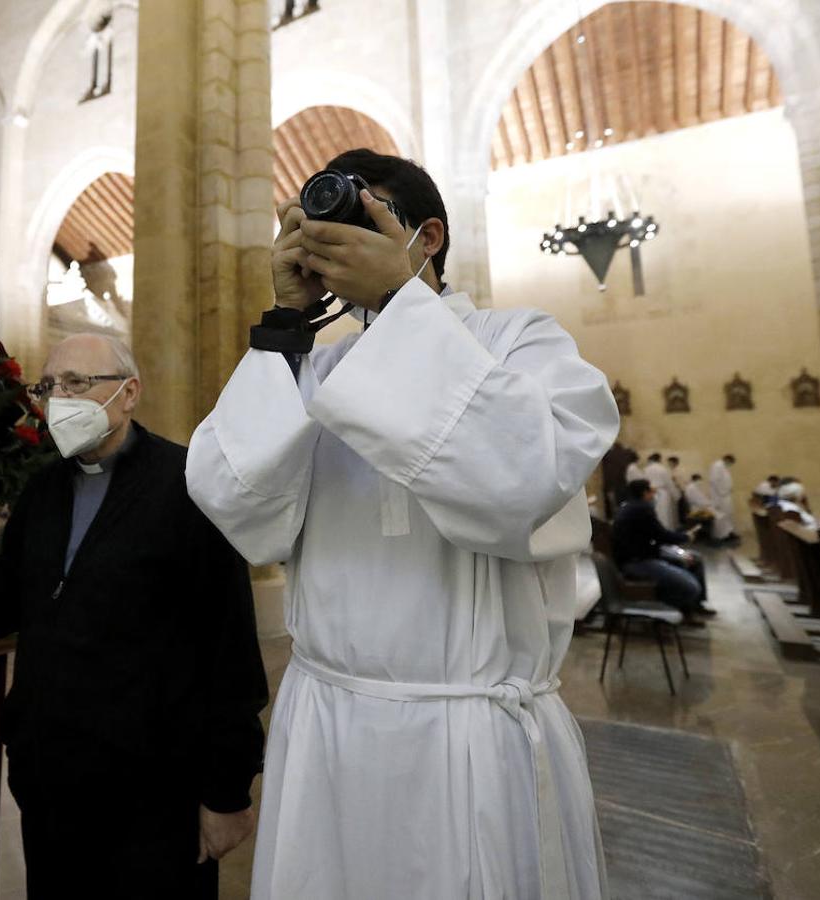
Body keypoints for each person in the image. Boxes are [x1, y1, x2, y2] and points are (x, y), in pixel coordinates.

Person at [187, 149, 616, 899]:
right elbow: (237, 507)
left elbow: (520, 485)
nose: (339, 239)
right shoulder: (312, 370)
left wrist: (395, 302)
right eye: (325, 223)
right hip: (327, 727)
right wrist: (286, 324)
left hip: (466, 736)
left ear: (428, 237)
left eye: (368, 218)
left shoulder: (518, 339)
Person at [0, 333, 268, 898]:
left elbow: (230, 650)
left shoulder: (188, 486)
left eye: (76, 383)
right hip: (50, 785)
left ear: (128, 394)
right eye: (49, 386)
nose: (57, 400)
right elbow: (1, 610)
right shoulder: (43, 489)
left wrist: (227, 793)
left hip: (152, 795)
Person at [612, 480, 712, 621]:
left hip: (643, 554)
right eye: (651, 491)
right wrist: (686, 537)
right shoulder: (642, 508)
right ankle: (666, 613)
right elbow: (661, 536)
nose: (654, 494)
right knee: (691, 587)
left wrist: (677, 552)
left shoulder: (628, 506)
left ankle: (694, 607)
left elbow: (654, 536)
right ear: (645, 493)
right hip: (637, 562)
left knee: (694, 558)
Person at [644, 452, 679, 529]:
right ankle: (666, 532)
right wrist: (676, 495)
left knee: (655, 514)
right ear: (659, 459)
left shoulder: (646, 469)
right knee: (665, 515)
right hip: (663, 493)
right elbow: (669, 483)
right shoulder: (662, 469)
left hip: (651, 493)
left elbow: (645, 482)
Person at [600, 441, 633, 520]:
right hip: (620, 486)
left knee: (615, 507)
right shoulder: (624, 453)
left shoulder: (609, 455)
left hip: (613, 486)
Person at [707, 454, 737, 541]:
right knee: (721, 516)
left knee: (727, 515)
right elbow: (714, 481)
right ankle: (721, 535)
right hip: (719, 496)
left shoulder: (724, 466)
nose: (730, 465)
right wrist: (722, 492)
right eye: (731, 462)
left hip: (725, 495)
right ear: (727, 459)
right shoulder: (718, 466)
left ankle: (727, 533)